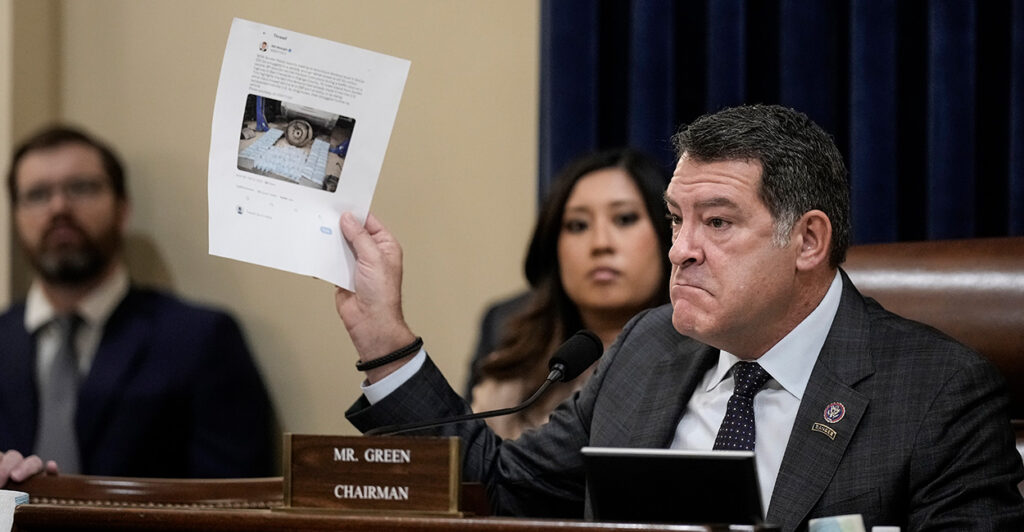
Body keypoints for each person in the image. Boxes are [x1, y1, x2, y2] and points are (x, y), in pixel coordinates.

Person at [334, 104, 1024, 530]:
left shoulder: (939, 393)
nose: (681, 250)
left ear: (808, 241)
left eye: (717, 222)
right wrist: (386, 340)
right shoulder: (648, 346)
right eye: (676, 219)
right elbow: (504, 492)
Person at [0, 125, 273, 485]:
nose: (59, 207)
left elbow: (234, 505)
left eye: (81, 188)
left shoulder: (201, 340)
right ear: (16, 217)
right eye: (36, 194)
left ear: (122, 208)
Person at [466, 148, 671, 438]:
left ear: (669, 234)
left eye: (624, 219)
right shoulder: (508, 359)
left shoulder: (702, 356)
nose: (600, 243)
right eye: (578, 225)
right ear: (554, 247)